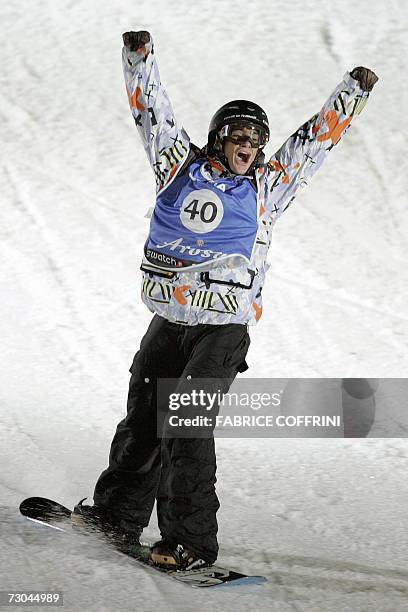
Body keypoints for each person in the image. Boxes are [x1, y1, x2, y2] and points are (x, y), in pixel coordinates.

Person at [71, 30, 378, 570]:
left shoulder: (267, 188)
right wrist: (138, 58)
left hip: (222, 330)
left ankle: (189, 541)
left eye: (257, 139)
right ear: (218, 137)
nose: (250, 145)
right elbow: (153, 114)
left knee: (184, 424)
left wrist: (350, 93)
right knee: (143, 418)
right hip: (169, 318)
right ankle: (117, 517)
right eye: (239, 134)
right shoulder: (177, 168)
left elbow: (313, 142)